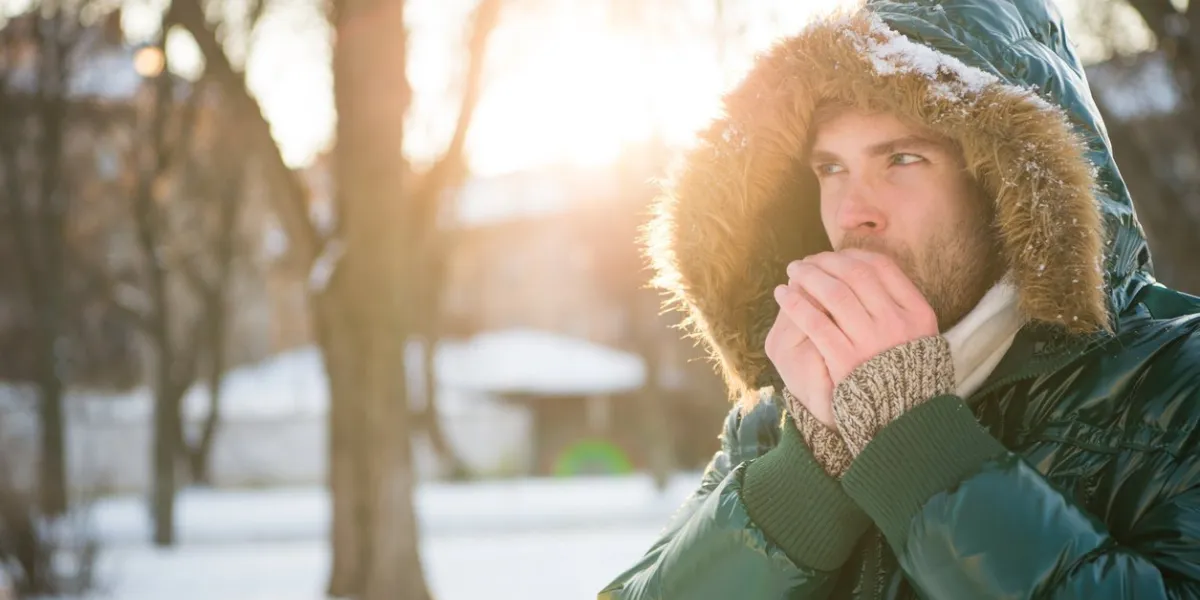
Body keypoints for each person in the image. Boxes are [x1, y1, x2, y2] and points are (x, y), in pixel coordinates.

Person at [598, 1, 1200, 599]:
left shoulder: (1179, 388)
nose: (853, 213)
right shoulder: (779, 417)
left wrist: (914, 444)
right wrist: (804, 479)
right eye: (830, 168)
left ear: (1002, 186)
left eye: (901, 159)